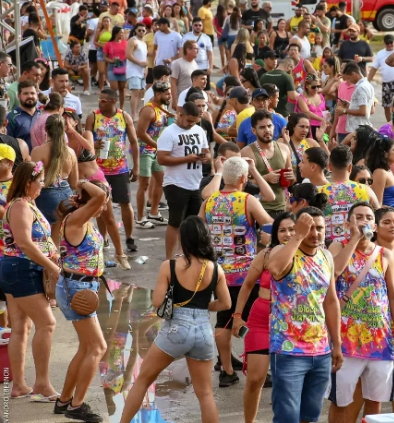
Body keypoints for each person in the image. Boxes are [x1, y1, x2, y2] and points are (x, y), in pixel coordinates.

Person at [118, 216, 231, 423]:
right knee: (205, 393)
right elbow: (225, 304)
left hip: (176, 329)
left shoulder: (169, 266)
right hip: (203, 332)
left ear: (183, 239)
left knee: (143, 380)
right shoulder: (215, 269)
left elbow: (158, 301)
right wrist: (203, 305)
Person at [327, 202, 394, 421]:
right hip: (346, 341)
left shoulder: (384, 254)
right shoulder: (336, 247)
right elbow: (335, 272)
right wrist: (354, 239)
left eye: (369, 217)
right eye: (359, 217)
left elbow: (392, 295)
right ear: (348, 223)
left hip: (379, 340)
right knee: (341, 401)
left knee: (375, 401)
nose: (365, 221)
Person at [200, 156, 273, 387]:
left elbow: (199, 231)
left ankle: (227, 370)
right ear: (244, 178)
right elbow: (271, 224)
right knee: (253, 320)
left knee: (223, 319)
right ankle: (254, 367)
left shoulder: (209, 201)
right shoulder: (247, 200)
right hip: (246, 273)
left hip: (218, 272)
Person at [266, 207, 343, 423]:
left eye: (320, 228)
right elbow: (274, 268)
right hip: (288, 350)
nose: (315, 233)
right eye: (310, 228)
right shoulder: (283, 250)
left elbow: (331, 301)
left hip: (320, 351)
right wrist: (297, 236)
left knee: (310, 415)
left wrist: (336, 344)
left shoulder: (326, 256)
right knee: (287, 417)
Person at [0, 161, 59, 401]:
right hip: (22, 269)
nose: (43, 186)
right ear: (28, 182)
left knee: (21, 327)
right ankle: (42, 384)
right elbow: (24, 243)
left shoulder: (25, 204)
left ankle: (20, 385)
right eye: (41, 181)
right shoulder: (21, 206)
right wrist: (52, 266)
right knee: (47, 323)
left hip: (17, 269)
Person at [53, 180, 109, 422]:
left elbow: (97, 199)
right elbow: (97, 197)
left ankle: (64, 400)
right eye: (105, 201)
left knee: (87, 347)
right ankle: (76, 406)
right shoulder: (76, 219)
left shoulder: (83, 220)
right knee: (98, 348)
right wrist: (84, 182)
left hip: (83, 286)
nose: (105, 206)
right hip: (77, 289)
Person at [232, 212, 295, 422]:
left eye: (292, 229)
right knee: (256, 378)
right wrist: (238, 315)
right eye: (282, 230)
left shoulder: (307, 256)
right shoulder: (266, 255)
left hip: (291, 323)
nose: (287, 234)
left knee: (286, 381)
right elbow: (248, 285)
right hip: (260, 320)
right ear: (276, 234)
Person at [85, 88, 138, 266]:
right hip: (99, 169)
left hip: (120, 168)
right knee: (100, 205)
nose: (100, 102)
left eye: (104, 100)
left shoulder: (124, 117)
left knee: (125, 203)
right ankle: (103, 237)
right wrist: (93, 143)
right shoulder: (93, 116)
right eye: (99, 99)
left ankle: (129, 238)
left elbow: (133, 141)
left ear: (114, 101)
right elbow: (85, 141)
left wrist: (136, 166)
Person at [157, 102, 210, 259]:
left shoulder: (199, 131)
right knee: (175, 222)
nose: (191, 124)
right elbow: (162, 159)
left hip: (195, 182)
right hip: (175, 183)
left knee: (193, 222)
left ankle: (185, 253)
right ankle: (169, 258)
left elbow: (207, 152)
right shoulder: (168, 133)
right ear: (180, 114)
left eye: (194, 121)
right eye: (189, 121)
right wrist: (187, 158)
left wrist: (206, 158)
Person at [319, 146, 380, 246]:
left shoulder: (320, 191)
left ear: (329, 167)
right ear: (350, 167)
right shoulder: (366, 190)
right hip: (360, 246)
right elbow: (379, 214)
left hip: (329, 249)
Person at [239, 110, 295, 217]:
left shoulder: (284, 149)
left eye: (269, 126)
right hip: (259, 210)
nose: (267, 130)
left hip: (282, 207)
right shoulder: (246, 152)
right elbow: (241, 185)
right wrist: (265, 178)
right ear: (254, 131)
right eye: (262, 127)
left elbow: (291, 181)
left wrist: (292, 177)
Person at [135, 81, 172, 229]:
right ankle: (140, 218)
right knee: (144, 184)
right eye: (167, 93)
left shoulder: (163, 108)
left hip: (156, 150)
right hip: (144, 151)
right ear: (157, 94)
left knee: (161, 180)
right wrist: (158, 146)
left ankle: (154, 213)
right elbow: (140, 133)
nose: (169, 96)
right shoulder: (148, 110)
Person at [31, 114, 78, 226]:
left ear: (46, 128)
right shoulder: (71, 152)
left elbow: (33, 178)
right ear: (64, 129)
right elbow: (74, 183)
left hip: (45, 195)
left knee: (46, 234)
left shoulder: (38, 151)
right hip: (67, 195)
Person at [368, 35, 394, 121]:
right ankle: (389, 123)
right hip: (386, 83)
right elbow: (374, 68)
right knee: (387, 106)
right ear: (384, 43)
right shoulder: (380, 53)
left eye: (391, 42)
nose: (389, 44)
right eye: (387, 43)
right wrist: (367, 81)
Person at [336, 62, 374, 133]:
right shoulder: (368, 85)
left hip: (358, 129)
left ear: (353, 74)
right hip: (359, 128)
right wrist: (350, 105)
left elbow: (363, 111)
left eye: (349, 78)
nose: (349, 81)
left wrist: (345, 111)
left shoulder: (361, 88)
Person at [365, 136, 394, 208]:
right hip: (384, 217)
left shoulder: (388, 170)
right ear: (385, 154)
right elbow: (377, 205)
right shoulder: (380, 172)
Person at [181, 18, 214, 89]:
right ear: (192, 26)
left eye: (200, 25)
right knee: (191, 88)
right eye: (196, 25)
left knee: (205, 88)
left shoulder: (206, 38)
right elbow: (182, 52)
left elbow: (210, 54)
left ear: (202, 26)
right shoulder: (186, 37)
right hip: (190, 66)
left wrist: (210, 67)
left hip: (204, 67)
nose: (198, 27)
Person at [7, 80, 40, 150]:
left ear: (37, 95)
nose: (30, 96)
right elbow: (7, 144)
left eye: (32, 93)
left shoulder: (43, 115)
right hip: (21, 160)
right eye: (25, 93)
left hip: (42, 160)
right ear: (18, 96)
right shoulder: (11, 117)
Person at [126, 23, 148, 120]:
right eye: (139, 30)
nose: (141, 32)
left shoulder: (143, 43)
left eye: (143, 30)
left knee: (141, 93)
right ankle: (134, 114)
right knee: (135, 92)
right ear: (135, 31)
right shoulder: (132, 40)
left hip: (142, 71)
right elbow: (128, 55)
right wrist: (139, 63)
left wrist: (146, 69)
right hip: (133, 70)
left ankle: (136, 112)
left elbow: (145, 58)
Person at [171, 41, 200, 107]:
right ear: (188, 50)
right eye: (196, 49)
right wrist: (174, 101)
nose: (198, 51)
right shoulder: (177, 63)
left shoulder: (195, 63)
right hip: (182, 100)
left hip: (193, 100)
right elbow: (173, 84)